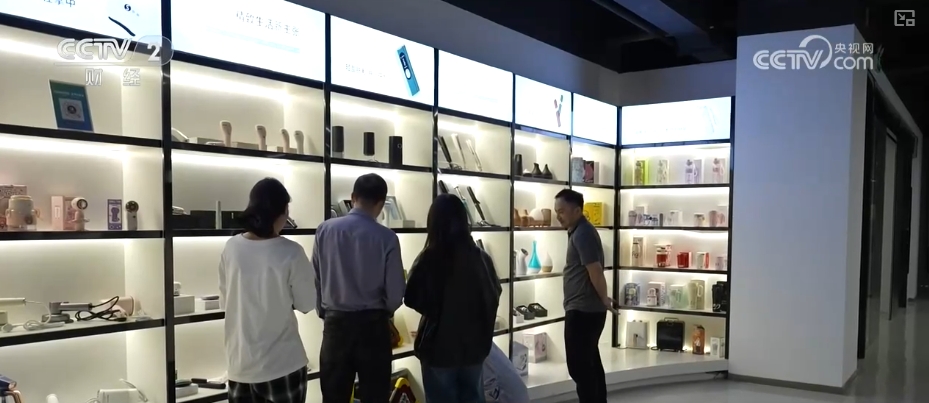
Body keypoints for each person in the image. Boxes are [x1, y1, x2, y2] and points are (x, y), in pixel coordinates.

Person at [219, 178, 316, 403]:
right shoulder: (291, 252)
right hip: (283, 364)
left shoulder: (231, 247)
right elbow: (307, 303)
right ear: (280, 213)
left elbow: (225, 302)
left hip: (239, 365)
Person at [313, 173, 406, 403]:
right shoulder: (387, 238)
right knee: (375, 397)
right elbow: (395, 293)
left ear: (353, 197)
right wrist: (384, 312)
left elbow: (316, 278)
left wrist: (325, 311)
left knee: (333, 397)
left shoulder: (324, 230)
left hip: (336, 326)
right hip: (373, 328)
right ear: (381, 204)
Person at [404, 193, 501, 403]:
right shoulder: (481, 258)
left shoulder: (431, 258)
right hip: (475, 348)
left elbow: (411, 296)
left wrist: (435, 313)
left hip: (439, 349)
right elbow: (494, 294)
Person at [553, 189, 617, 403]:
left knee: (579, 367)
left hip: (583, 311)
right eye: (556, 211)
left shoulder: (583, 234)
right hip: (584, 309)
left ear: (577, 211)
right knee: (590, 364)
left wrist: (604, 299)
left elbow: (595, 271)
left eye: (562, 211)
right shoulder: (579, 231)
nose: (558, 216)